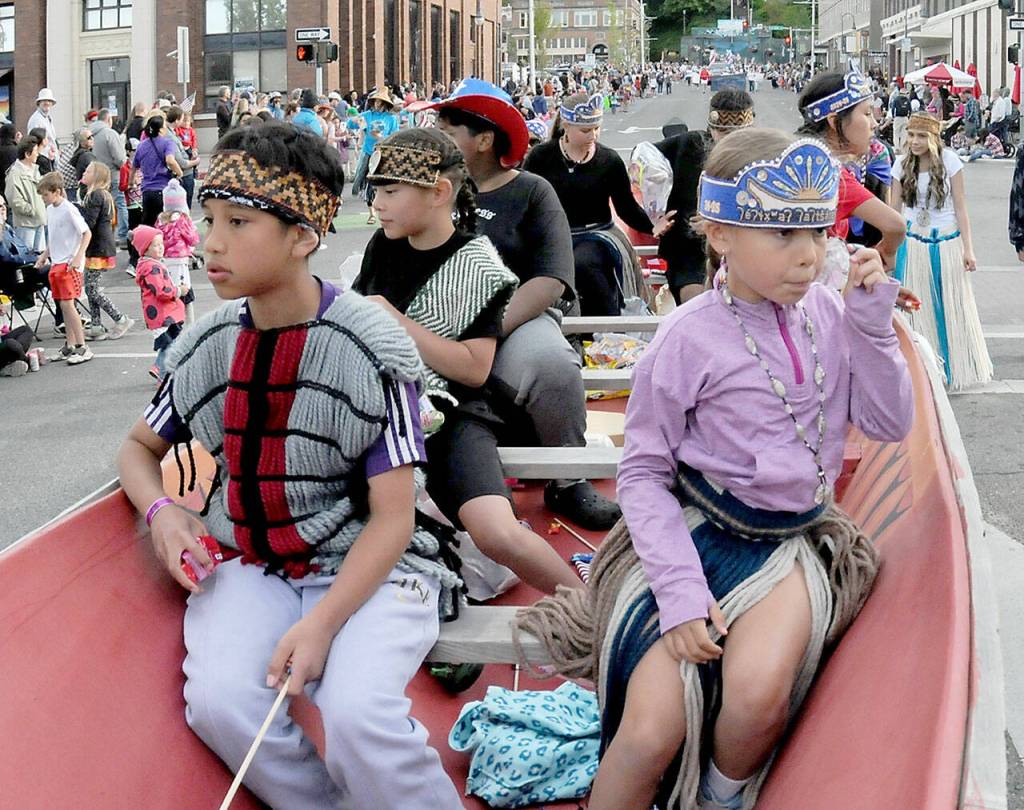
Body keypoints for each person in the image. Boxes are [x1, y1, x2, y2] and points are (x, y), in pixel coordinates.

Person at [517, 129, 914, 810]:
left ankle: (717, 798)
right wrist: (678, 594)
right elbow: (641, 475)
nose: (811, 254)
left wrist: (872, 325)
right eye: (782, 235)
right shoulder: (685, 336)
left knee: (757, 697)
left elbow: (888, 424)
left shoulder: (831, 310)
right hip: (694, 534)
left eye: (818, 231)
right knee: (646, 734)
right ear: (721, 235)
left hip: (790, 538)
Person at [116, 120, 463, 809]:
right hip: (252, 560)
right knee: (219, 704)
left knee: (359, 714)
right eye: (209, 217)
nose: (210, 241)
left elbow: (393, 520)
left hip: (377, 565)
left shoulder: (372, 348)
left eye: (238, 222)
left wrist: (324, 623)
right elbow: (137, 450)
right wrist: (163, 512)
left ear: (303, 235)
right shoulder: (208, 343)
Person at [354, 126, 582, 593]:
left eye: (390, 191)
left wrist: (397, 322)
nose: (377, 204)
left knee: (496, 531)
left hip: (452, 414)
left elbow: (475, 367)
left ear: (439, 192)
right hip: (379, 410)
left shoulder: (479, 267)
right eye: (376, 192)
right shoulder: (382, 247)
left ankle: (596, 613)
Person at [429, 78, 620, 529]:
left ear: (483, 139)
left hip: (515, 315)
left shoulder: (532, 191)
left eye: (447, 131)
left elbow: (552, 279)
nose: (436, 140)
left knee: (551, 363)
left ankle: (567, 480)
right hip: (433, 316)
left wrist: (485, 328)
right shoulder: (431, 190)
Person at [524, 92, 675, 315]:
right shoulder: (540, 157)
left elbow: (626, 207)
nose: (593, 135)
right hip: (552, 235)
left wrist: (653, 226)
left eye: (596, 128)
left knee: (584, 265)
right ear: (566, 125)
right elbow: (527, 201)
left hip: (599, 235)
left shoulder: (610, 160)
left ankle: (604, 326)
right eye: (585, 130)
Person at [890, 113, 993, 391]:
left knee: (950, 304)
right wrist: (888, 250)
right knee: (915, 308)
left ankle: (952, 366)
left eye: (921, 136)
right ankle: (922, 368)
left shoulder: (950, 162)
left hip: (947, 242)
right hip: (912, 243)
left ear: (934, 139)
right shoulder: (899, 165)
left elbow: (961, 207)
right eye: (911, 135)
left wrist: (968, 250)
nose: (914, 141)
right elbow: (892, 212)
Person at [796, 70, 906, 268]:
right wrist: (884, 255)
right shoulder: (827, 173)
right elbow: (895, 226)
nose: (874, 123)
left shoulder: (802, 159)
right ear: (833, 120)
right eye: (866, 113)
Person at [654, 89, 754, 305]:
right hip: (690, 252)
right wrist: (654, 212)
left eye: (737, 135)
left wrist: (715, 225)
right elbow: (643, 156)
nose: (729, 142)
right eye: (723, 134)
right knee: (697, 302)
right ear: (712, 127)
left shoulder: (761, 157)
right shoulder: (689, 144)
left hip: (744, 249)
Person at [35, 172, 92, 365]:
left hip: (69, 263)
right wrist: (44, 255)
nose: (44, 199)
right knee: (62, 304)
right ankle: (70, 344)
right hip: (58, 261)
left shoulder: (69, 209)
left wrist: (78, 257)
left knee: (68, 304)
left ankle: (82, 346)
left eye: (45, 195)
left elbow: (86, 233)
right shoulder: (51, 210)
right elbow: (55, 237)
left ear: (57, 192)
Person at [79, 162, 132, 341]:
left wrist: (75, 209)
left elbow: (89, 222)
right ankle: (96, 325)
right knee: (90, 287)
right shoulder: (104, 195)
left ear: (96, 177)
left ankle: (120, 318)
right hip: (101, 246)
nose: (84, 173)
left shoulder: (95, 195)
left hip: (98, 247)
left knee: (92, 289)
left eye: (88, 171)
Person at [130, 225, 182, 379]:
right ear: (145, 249)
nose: (160, 248)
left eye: (161, 244)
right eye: (155, 245)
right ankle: (162, 374)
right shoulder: (152, 268)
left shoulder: (148, 264)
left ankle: (159, 368)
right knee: (170, 344)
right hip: (162, 314)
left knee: (170, 342)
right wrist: (178, 291)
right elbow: (161, 292)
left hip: (161, 313)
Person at [351, 88, 401, 223]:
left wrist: (381, 137)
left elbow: (394, 136)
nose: (377, 104)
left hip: (383, 153)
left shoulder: (391, 119)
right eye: (376, 101)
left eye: (380, 102)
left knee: (382, 183)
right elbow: (352, 124)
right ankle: (372, 214)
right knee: (365, 179)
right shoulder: (367, 115)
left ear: (385, 103)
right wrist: (354, 120)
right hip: (368, 152)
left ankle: (386, 210)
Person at [157, 178, 199, 325]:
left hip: (165, 260)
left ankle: (172, 320)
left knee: (172, 290)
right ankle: (189, 324)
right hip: (180, 260)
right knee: (186, 292)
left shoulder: (161, 219)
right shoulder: (182, 219)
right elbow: (193, 239)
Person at [130, 115, 183, 227]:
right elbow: (170, 160)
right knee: (164, 224)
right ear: (160, 129)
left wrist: (131, 182)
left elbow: (134, 166)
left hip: (147, 191)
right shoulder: (167, 143)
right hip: (162, 189)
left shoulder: (141, 146)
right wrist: (179, 173)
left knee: (149, 224)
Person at [90, 108, 130, 247]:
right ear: (109, 119)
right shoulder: (110, 134)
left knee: (101, 207)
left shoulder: (90, 134)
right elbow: (120, 158)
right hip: (112, 174)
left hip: (96, 175)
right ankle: (123, 235)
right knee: (119, 203)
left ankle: (104, 236)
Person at [5, 137, 47, 253]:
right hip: (26, 224)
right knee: (27, 258)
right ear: (27, 154)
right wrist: (31, 210)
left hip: (40, 221)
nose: (38, 154)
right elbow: (14, 199)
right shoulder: (14, 173)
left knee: (40, 259)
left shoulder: (35, 170)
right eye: (35, 152)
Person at [166, 106, 200, 210]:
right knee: (184, 206)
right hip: (183, 173)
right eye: (182, 119)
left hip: (185, 170)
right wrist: (195, 162)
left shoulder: (172, 133)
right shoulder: (170, 136)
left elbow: (193, 140)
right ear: (177, 120)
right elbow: (180, 162)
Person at [26, 89, 58, 168]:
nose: (47, 103)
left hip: (49, 159)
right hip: (40, 160)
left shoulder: (47, 118)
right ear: (39, 103)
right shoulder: (36, 120)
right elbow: (32, 142)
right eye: (44, 101)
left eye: (49, 101)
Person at [67, 128, 96, 197]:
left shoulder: (81, 154)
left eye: (92, 136)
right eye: (89, 138)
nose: (92, 139)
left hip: (84, 190)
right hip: (89, 191)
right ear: (82, 142)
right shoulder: (87, 156)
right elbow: (96, 174)